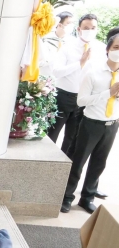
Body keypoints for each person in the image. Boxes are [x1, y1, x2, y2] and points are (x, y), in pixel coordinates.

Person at [60, 33, 119, 214]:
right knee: (78, 162)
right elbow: (82, 101)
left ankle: (87, 198)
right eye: (116, 48)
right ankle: (67, 197)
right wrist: (108, 93)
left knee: (99, 163)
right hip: (90, 124)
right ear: (108, 50)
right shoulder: (93, 72)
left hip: (111, 124)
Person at [49, 13, 106, 157]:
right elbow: (56, 71)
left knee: (72, 138)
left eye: (93, 28)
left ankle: (62, 169)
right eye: (86, 28)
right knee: (52, 134)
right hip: (63, 96)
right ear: (79, 29)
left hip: (83, 100)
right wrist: (79, 63)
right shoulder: (68, 46)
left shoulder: (100, 48)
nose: (90, 30)